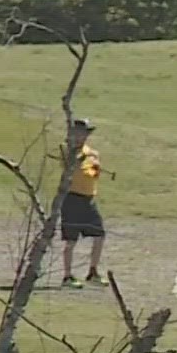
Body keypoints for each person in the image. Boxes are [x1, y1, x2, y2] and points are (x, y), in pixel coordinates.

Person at [59, 118, 106, 288]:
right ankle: (67, 275)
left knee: (99, 235)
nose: (81, 137)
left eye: (84, 133)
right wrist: (80, 158)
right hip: (72, 198)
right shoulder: (67, 151)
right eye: (78, 133)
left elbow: (94, 172)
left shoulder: (92, 153)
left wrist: (94, 169)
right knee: (71, 240)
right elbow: (69, 166)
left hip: (88, 198)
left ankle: (92, 271)